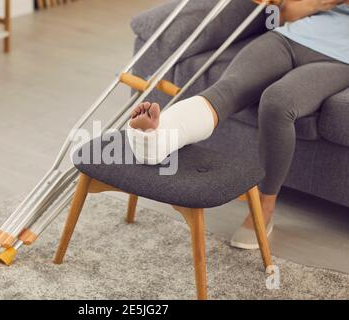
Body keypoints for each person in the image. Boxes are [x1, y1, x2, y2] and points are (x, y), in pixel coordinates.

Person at [126, 0, 349, 249]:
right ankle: (157, 137)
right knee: (228, 88)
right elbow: (286, 15)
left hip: (339, 59)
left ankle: (265, 206)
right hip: (288, 39)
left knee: (277, 103)